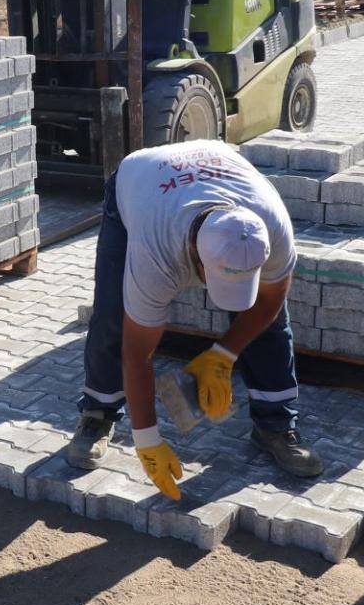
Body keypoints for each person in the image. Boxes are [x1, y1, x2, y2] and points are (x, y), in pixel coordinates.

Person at [67, 139, 322, 498]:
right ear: (193, 254)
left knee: (271, 324)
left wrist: (223, 355)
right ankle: (98, 413)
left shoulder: (271, 226)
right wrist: (148, 440)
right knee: (113, 313)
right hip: (140, 178)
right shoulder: (157, 250)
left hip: (218, 168)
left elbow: (269, 301)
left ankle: (276, 425)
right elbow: (137, 352)